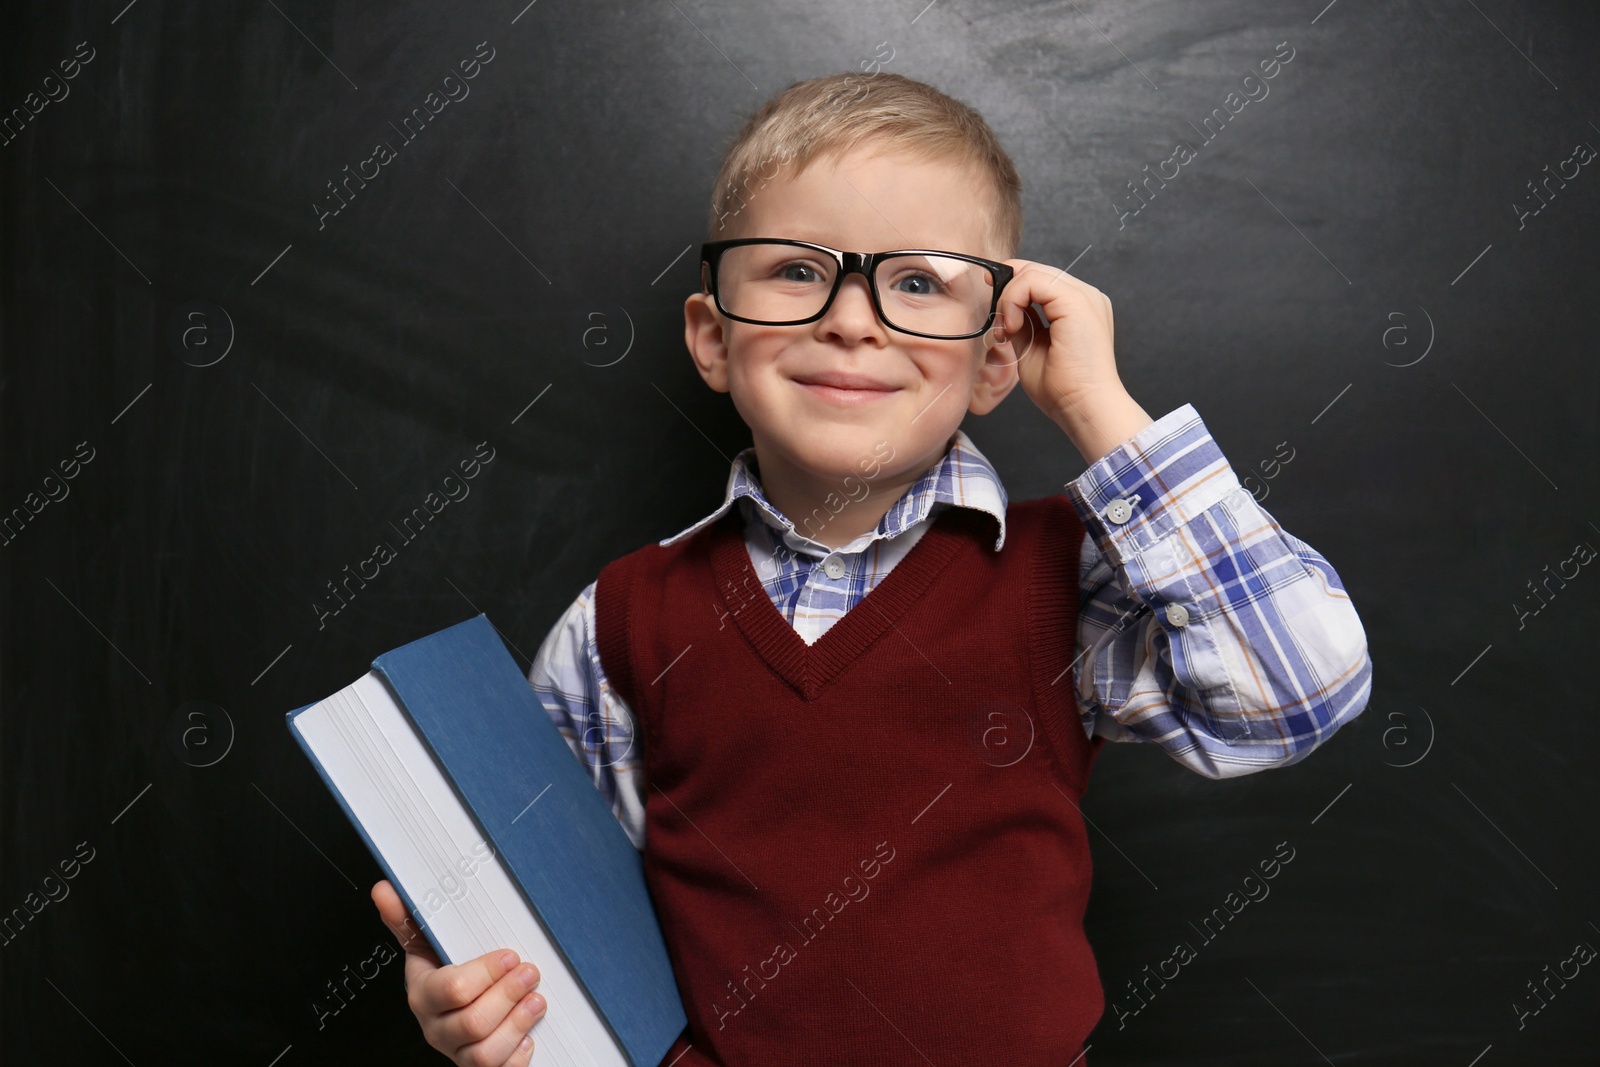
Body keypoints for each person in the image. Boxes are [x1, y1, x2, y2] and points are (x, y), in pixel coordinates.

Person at [372, 70, 1373, 1066]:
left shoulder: (1069, 581)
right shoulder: (621, 622)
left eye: (919, 281)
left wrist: (1094, 408)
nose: (853, 318)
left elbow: (1297, 692)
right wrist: (486, 1001)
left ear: (996, 362)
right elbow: (564, 917)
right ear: (714, 337)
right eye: (797, 271)